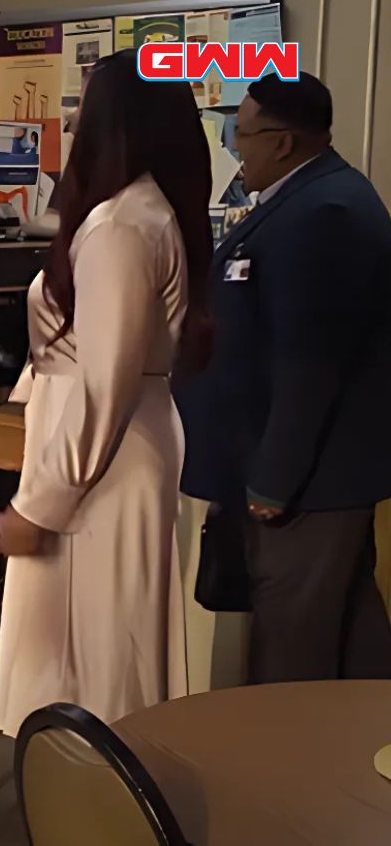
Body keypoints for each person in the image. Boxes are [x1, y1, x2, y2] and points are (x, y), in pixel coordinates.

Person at [0, 51, 212, 734]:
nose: (72, 121)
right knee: (94, 654)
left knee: (98, 664)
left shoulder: (120, 228)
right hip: (109, 443)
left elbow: (103, 384)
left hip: (99, 461)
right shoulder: (138, 213)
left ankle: (100, 810)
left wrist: (40, 507)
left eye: (85, 107)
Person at [176, 72, 391, 683]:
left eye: (241, 135)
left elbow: (311, 361)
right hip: (293, 473)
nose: (235, 148)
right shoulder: (296, 203)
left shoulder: (328, 212)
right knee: (347, 631)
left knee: (292, 645)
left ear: (284, 142)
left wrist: (274, 480)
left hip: (309, 483)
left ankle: (286, 770)